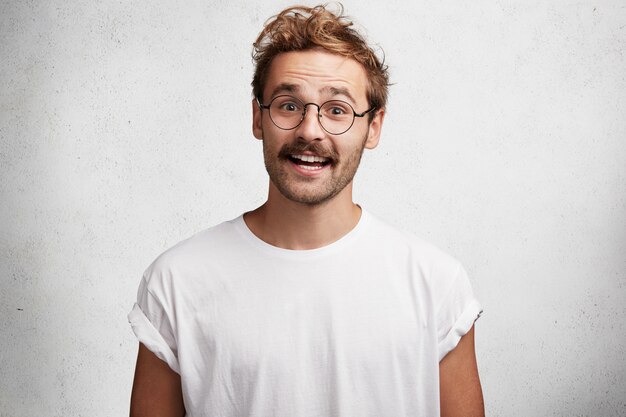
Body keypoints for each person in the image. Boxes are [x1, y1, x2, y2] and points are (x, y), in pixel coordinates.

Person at [128, 4, 484, 417]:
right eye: (288, 105)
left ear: (374, 127)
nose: (310, 130)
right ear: (258, 118)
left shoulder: (436, 284)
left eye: (337, 110)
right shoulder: (175, 282)